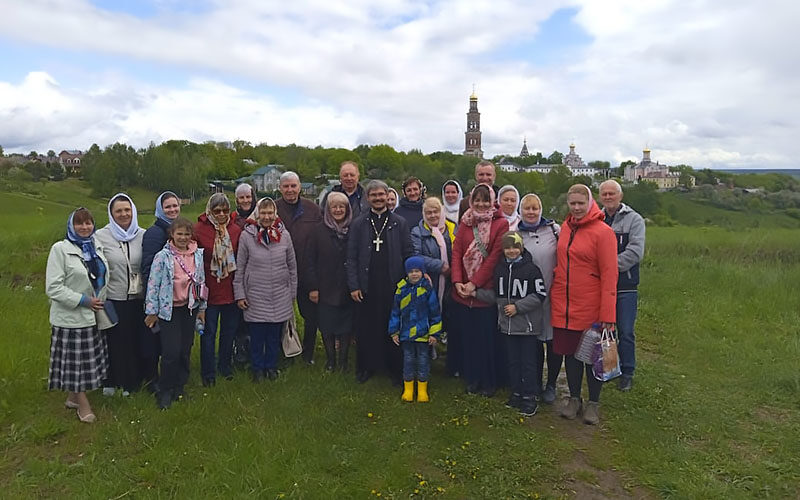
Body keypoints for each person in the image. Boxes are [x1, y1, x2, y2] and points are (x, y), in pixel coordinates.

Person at [551, 184, 617, 425]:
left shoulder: (603, 232)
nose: (577, 208)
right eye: (573, 203)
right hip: (564, 304)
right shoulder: (566, 228)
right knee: (570, 355)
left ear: (590, 203)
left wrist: (608, 314)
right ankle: (575, 398)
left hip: (591, 306)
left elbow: (610, 276)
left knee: (592, 357)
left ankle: (594, 403)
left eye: (581, 203)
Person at [46, 208, 111, 423]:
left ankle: (73, 397)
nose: (85, 227)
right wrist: (83, 301)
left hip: (93, 315)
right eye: (79, 224)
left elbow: (100, 277)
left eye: (88, 223)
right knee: (77, 364)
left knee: (85, 360)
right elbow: (53, 288)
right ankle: (83, 405)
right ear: (71, 226)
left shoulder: (95, 247)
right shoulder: (60, 250)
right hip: (71, 318)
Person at [346, 180, 413, 384]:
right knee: (367, 327)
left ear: (387, 196)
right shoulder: (359, 223)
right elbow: (351, 257)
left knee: (393, 326)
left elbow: (408, 252)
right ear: (368, 198)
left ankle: (394, 369)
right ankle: (366, 367)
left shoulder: (399, 223)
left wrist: (412, 279)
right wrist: (354, 285)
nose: (378, 198)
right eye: (373, 195)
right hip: (367, 283)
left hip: (392, 283)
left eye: (381, 195)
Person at [475, 232, 546, 416]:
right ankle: (516, 394)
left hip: (527, 326)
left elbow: (539, 295)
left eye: (515, 247)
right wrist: (475, 293)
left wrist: (517, 307)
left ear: (521, 248)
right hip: (507, 326)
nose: (511, 251)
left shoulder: (531, 269)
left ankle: (529, 397)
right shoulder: (499, 270)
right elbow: (495, 297)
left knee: (528, 363)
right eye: (507, 247)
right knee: (513, 362)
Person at [451, 184, 508, 396]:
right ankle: (472, 378)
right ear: (471, 201)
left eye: (486, 200)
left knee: (487, 340)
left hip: (485, 290)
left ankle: (488, 381)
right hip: (463, 292)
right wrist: (458, 281)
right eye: (477, 200)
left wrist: (474, 284)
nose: (481, 204)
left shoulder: (500, 224)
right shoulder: (466, 222)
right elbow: (456, 252)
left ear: (493, 201)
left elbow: (494, 257)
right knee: (470, 339)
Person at [144, 217, 206, 410]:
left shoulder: (197, 255)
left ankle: (180, 386)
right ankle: (165, 390)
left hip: (189, 308)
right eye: (179, 234)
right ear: (172, 234)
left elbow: (201, 283)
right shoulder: (162, 257)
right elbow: (153, 285)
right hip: (168, 310)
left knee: (185, 350)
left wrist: (202, 308)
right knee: (171, 352)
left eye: (187, 234)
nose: (183, 237)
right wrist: (151, 311)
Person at [233, 198, 297, 382]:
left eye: (270, 213)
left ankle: (271, 366)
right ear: (257, 214)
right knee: (257, 336)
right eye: (264, 213)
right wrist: (240, 294)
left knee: (273, 336)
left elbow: (292, 266)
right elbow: (241, 267)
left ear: (275, 214)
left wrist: (292, 292)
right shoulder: (247, 236)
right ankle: (257, 369)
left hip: (279, 294)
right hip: (256, 296)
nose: (267, 217)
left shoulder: (284, 235)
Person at [95, 193, 145, 396]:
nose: (124, 214)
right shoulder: (100, 236)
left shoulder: (143, 234)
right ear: (111, 213)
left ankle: (131, 382)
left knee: (135, 339)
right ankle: (111, 380)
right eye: (119, 211)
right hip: (113, 298)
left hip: (138, 297)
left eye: (127, 210)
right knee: (114, 341)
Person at [599, 180, 646, 392]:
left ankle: (627, 372)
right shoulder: (597, 219)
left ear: (620, 196)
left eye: (612, 194)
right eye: (604, 194)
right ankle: (609, 367)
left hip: (625, 285)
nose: (608, 197)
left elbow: (635, 252)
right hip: (600, 286)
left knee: (625, 331)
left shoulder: (634, 220)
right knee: (605, 331)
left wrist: (608, 267)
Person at [517, 193, 561, 404]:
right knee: (532, 341)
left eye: (535, 208)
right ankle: (534, 383)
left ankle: (551, 384)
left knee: (552, 341)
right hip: (530, 296)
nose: (531, 212)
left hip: (553, 294)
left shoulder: (554, 230)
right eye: (527, 208)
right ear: (521, 210)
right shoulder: (515, 233)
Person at [194, 193, 242, 387]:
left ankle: (225, 365)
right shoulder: (198, 230)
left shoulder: (236, 230)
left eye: (225, 210)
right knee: (208, 333)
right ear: (210, 211)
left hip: (230, 289)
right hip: (209, 291)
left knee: (228, 332)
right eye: (217, 211)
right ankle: (208, 372)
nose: (221, 214)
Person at [276, 171, 323, 365]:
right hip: (279, 273)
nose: (290, 190)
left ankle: (308, 353)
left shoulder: (312, 209)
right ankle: (283, 354)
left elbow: (321, 239)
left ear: (300, 187)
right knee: (279, 316)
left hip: (306, 271)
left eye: (293, 186)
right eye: (286, 186)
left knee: (311, 316)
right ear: (280, 188)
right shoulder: (273, 208)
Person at [305, 192, 354, 371]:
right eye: (334, 206)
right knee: (327, 326)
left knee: (346, 328)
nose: (338, 210)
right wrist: (313, 287)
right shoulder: (318, 231)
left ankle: (343, 362)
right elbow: (309, 261)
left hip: (347, 287)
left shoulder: (353, 230)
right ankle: (330, 361)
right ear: (328, 209)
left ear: (347, 209)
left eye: (342, 206)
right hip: (325, 286)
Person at [140, 191, 181, 389]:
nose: (172, 210)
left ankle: (171, 380)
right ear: (160, 209)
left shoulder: (178, 230)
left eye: (175, 206)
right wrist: (152, 304)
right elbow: (148, 270)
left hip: (176, 299)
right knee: (155, 342)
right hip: (158, 300)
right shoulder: (155, 233)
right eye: (168, 207)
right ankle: (153, 380)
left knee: (170, 344)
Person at [410, 197, 456, 373]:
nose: (432, 215)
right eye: (428, 212)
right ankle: (426, 354)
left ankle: (449, 357)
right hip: (431, 280)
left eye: (436, 211)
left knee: (448, 315)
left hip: (450, 281)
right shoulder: (417, 232)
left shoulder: (451, 228)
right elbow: (416, 255)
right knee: (428, 315)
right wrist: (440, 266)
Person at [389, 256, 442, 403]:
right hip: (406, 335)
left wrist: (434, 333)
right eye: (411, 271)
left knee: (423, 360)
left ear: (423, 272)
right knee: (408, 360)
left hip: (423, 334)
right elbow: (395, 312)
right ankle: (408, 389)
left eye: (417, 271)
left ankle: (422, 389)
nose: (414, 274)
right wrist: (394, 331)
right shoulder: (401, 289)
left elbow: (435, 312)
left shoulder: (427, 289)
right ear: (406, 273)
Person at [232, 182, 257, 367]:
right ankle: (240, 353)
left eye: (248, 196)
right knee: (240, 317)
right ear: (237, 200)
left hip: (258, 274)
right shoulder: (232, 220)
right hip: (238, 273)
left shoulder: (261, 216)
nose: (246, 200)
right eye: (242, 197)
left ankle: (257, 351)